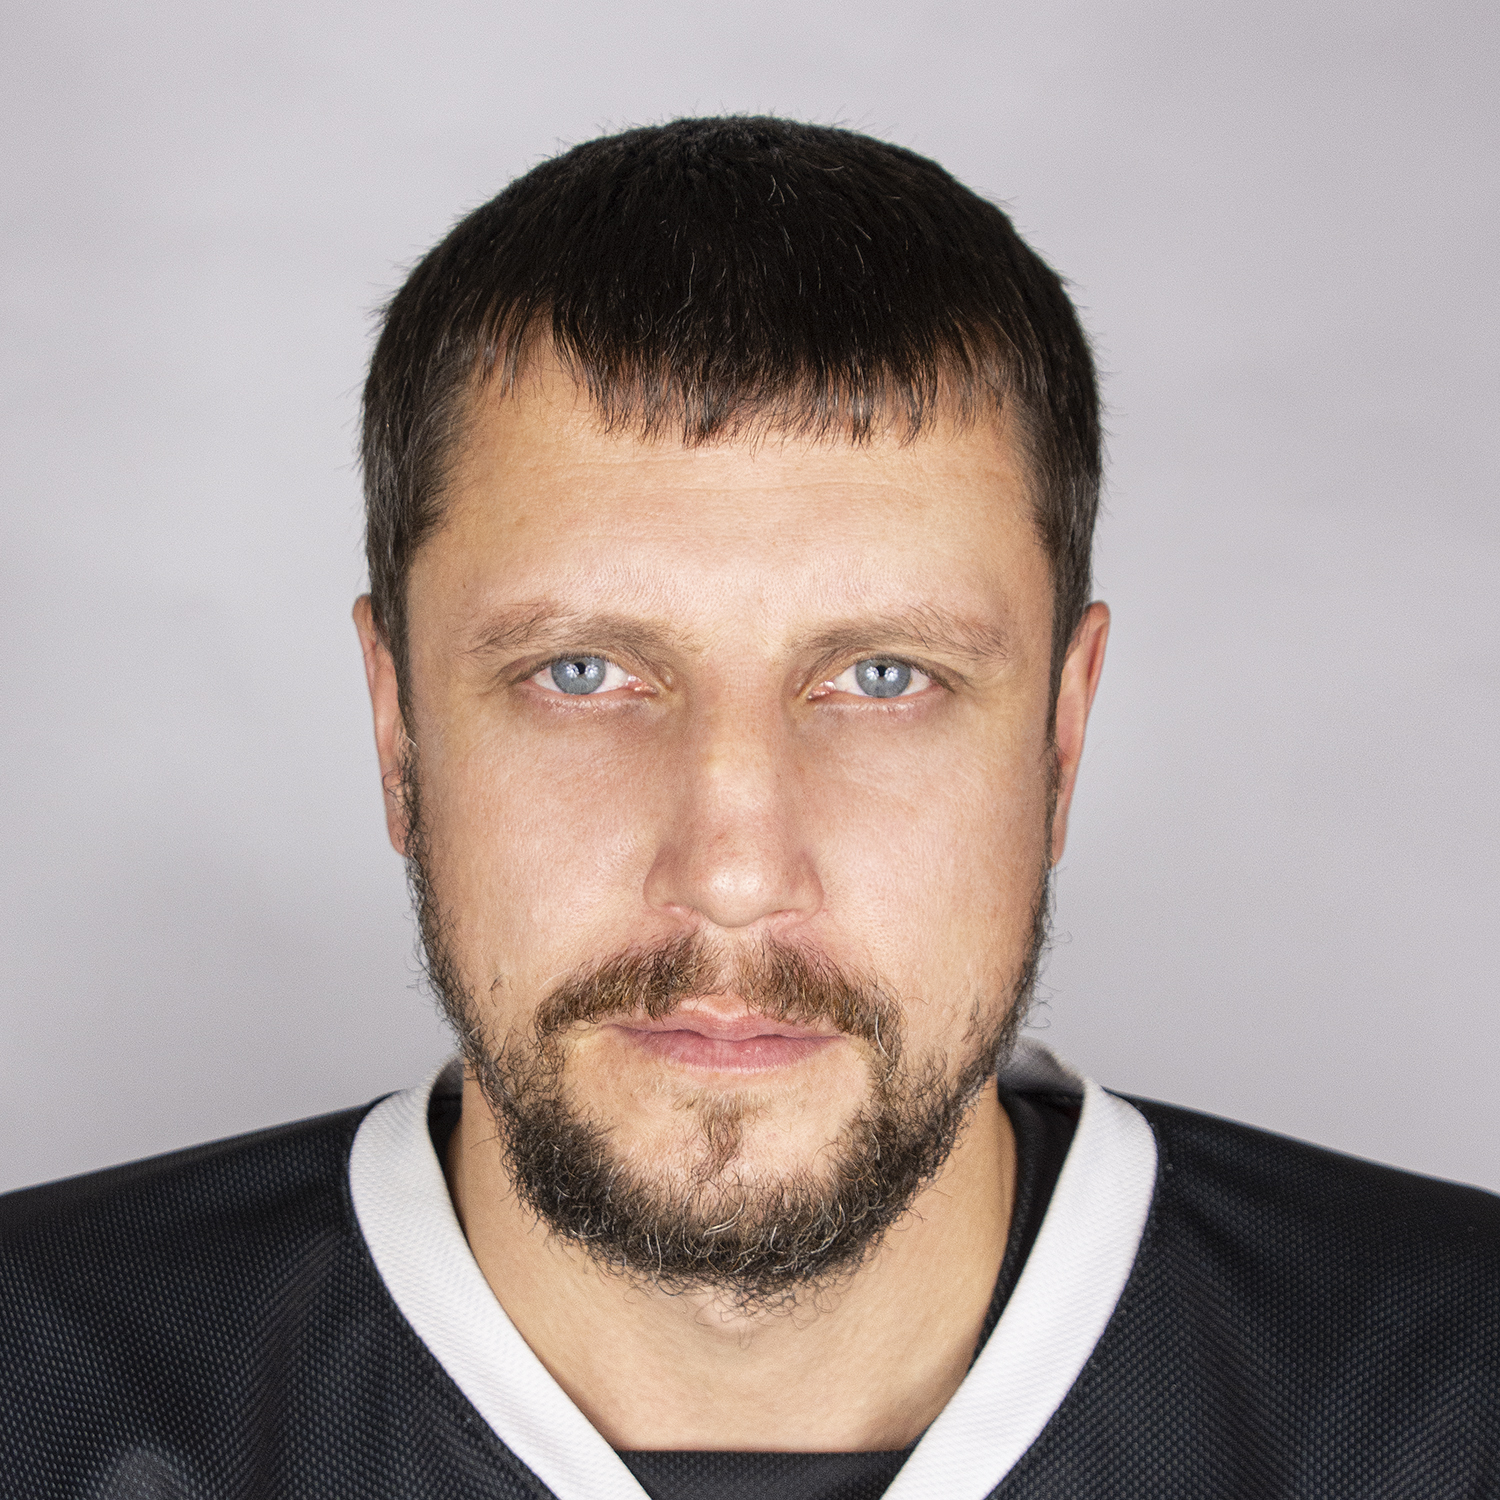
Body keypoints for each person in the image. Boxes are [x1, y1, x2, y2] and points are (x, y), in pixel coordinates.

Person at [1, 116, 1495, 1500]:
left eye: (884, 677)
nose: (728, 870)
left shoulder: (1454, 1390)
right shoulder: (35, 1384)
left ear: (1062, 733)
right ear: (398, 728)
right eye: (583, 673)